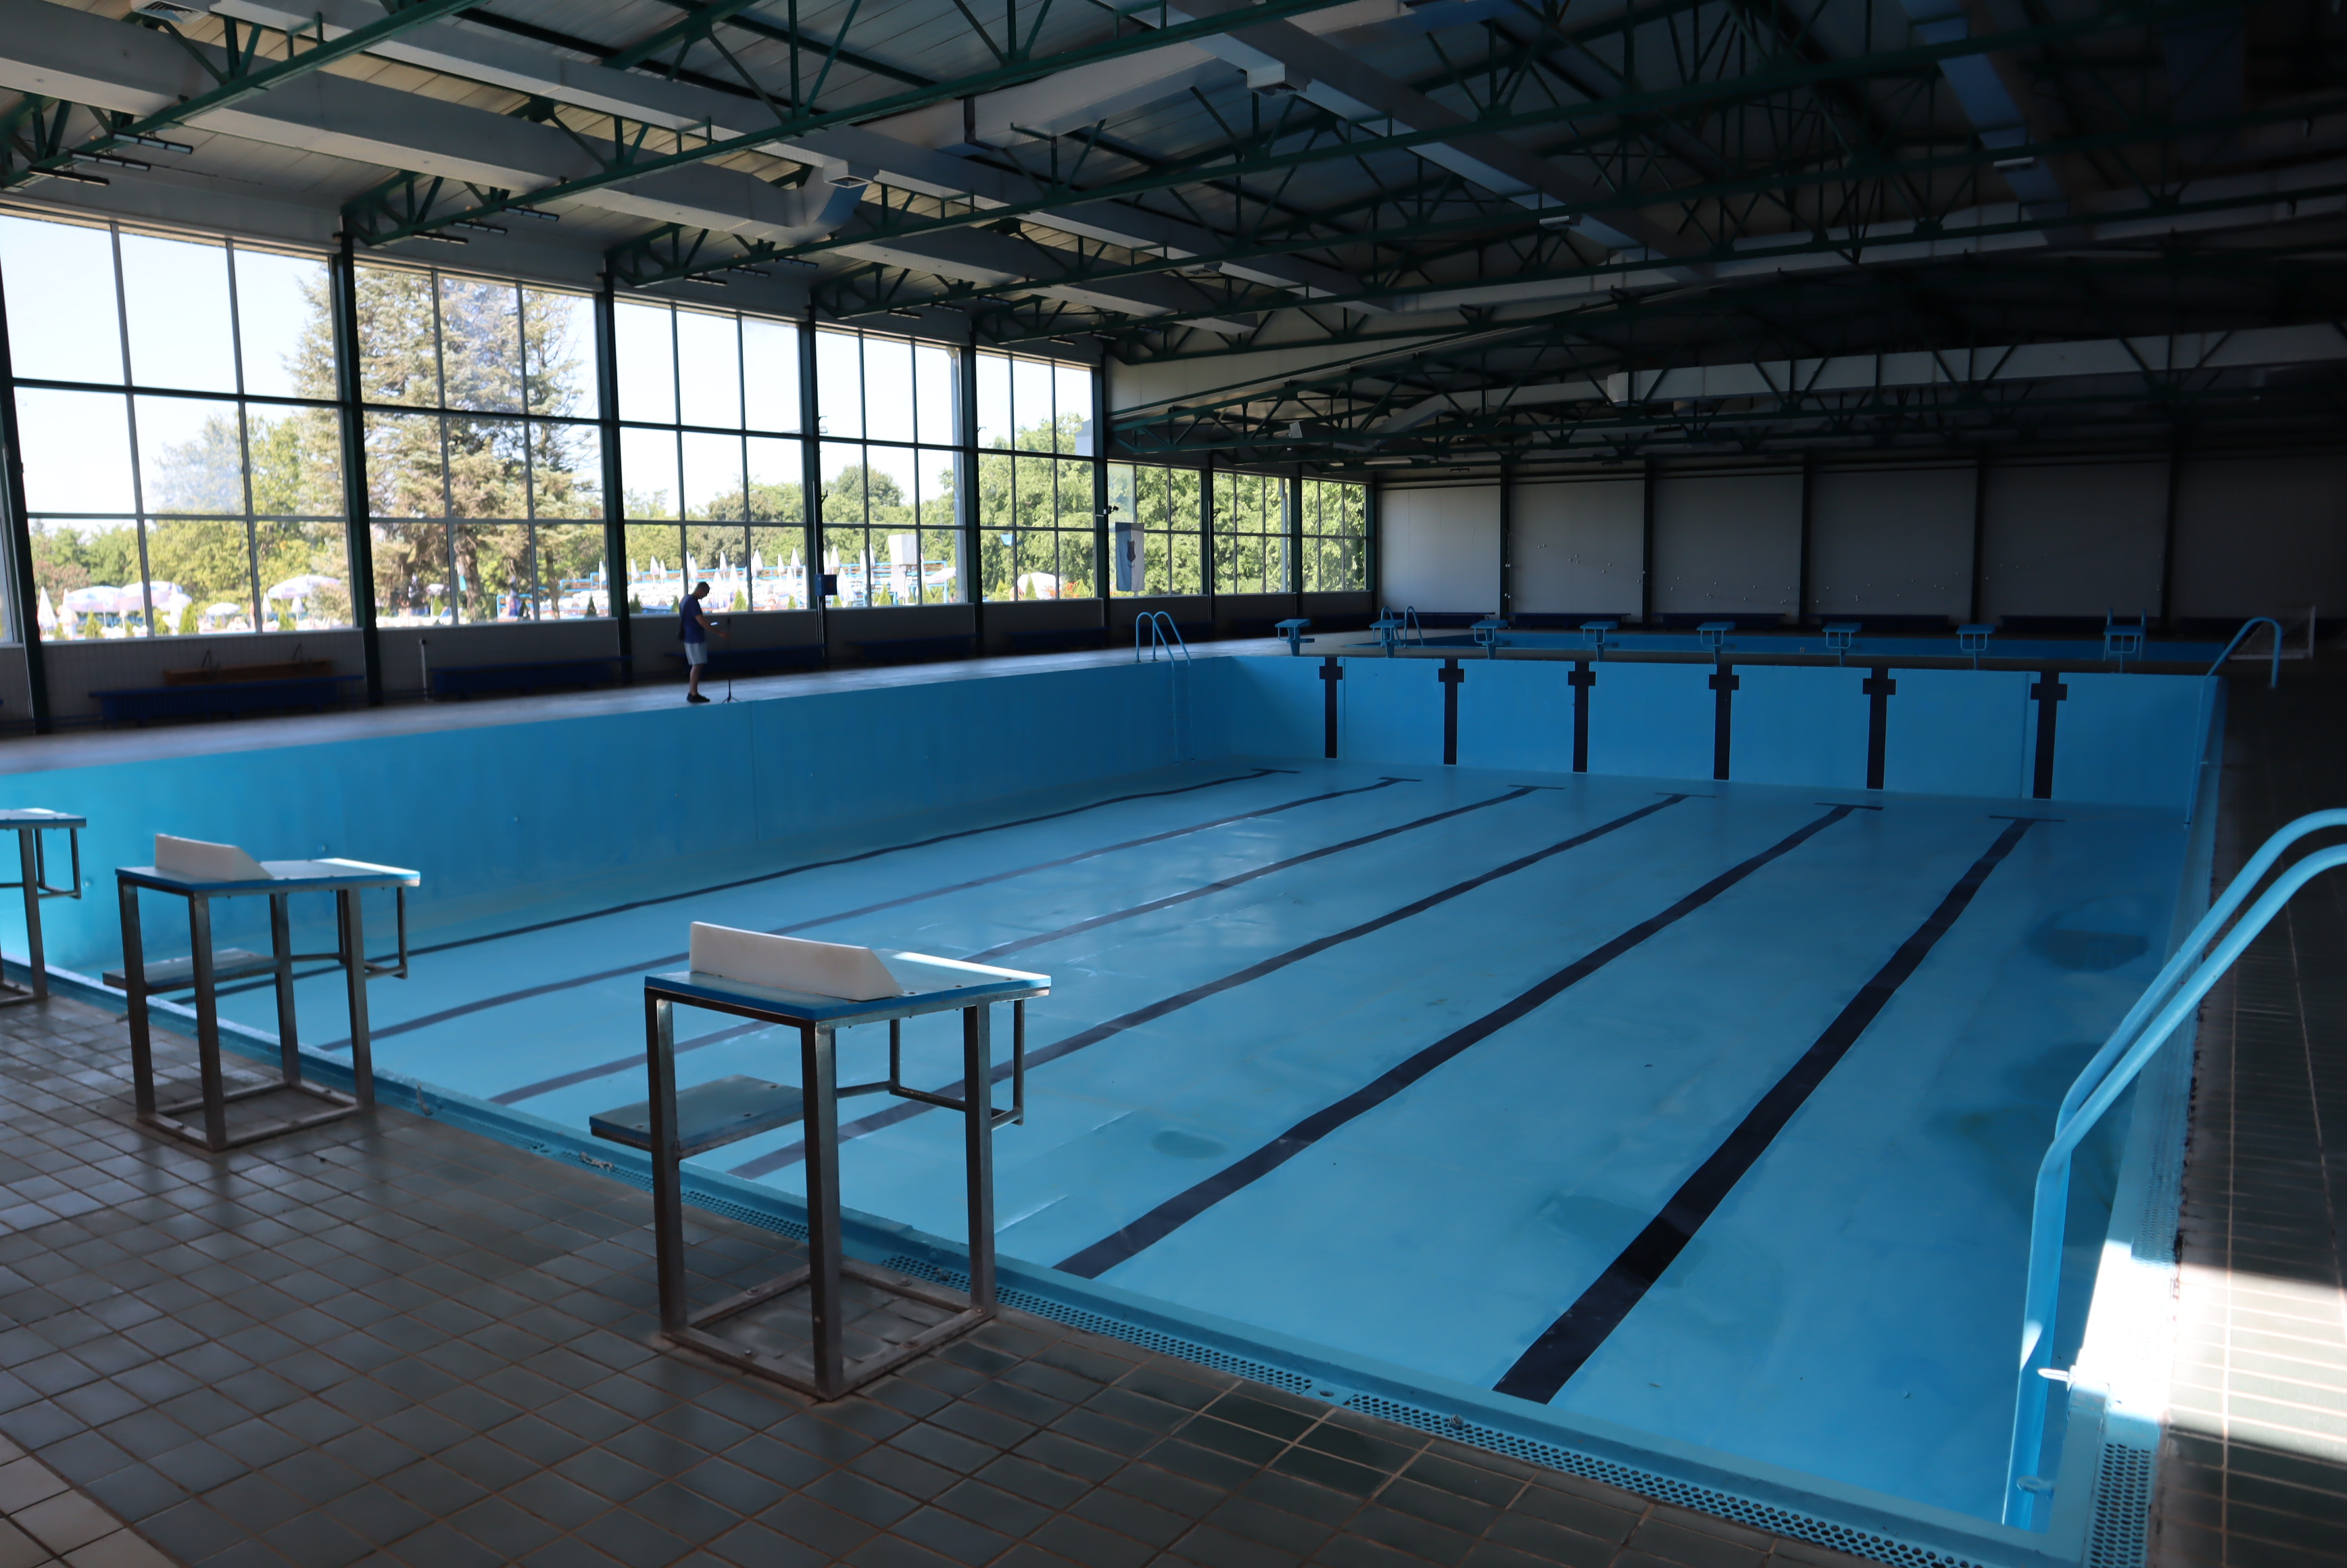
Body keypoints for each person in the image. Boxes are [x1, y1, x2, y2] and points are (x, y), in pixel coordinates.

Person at [679, 581, 719, 704]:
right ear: (701, 590)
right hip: (695, 638)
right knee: (697, 665)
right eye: (706, 593)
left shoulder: (685, 599)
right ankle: (693, 693)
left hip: (688, 636)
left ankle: (693, 692)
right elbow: (701, 621)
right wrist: (719, 633)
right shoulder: (693, 603)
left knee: (696, 665)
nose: (706, 595)